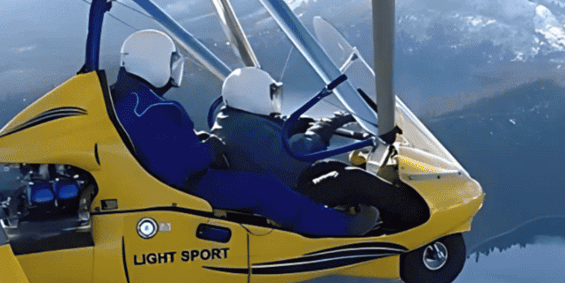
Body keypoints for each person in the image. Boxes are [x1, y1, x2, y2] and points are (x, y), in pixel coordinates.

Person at [110, 31, 376, 237]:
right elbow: (174, 168)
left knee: (262, 184)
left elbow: (164, 148)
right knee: (265, 189)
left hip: (174, 182)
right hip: (190, 186)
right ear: (154, 60)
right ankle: (342, 227)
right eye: (170, 62)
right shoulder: (149, 108)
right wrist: (210, 148)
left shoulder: (129, 102)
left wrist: (202, 142)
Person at [211, 66, 425, 233]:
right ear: (253, 95)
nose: (274, 99)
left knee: (330, 166)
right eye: (271, 93)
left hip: (280, 182)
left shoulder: (233, 118)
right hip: (286, 197)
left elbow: (271, 141)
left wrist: (297, 126)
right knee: (351, 180)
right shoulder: (245, 129)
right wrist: (327, 126)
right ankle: (417, 216)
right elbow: (296, 155)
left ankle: (390, 217)